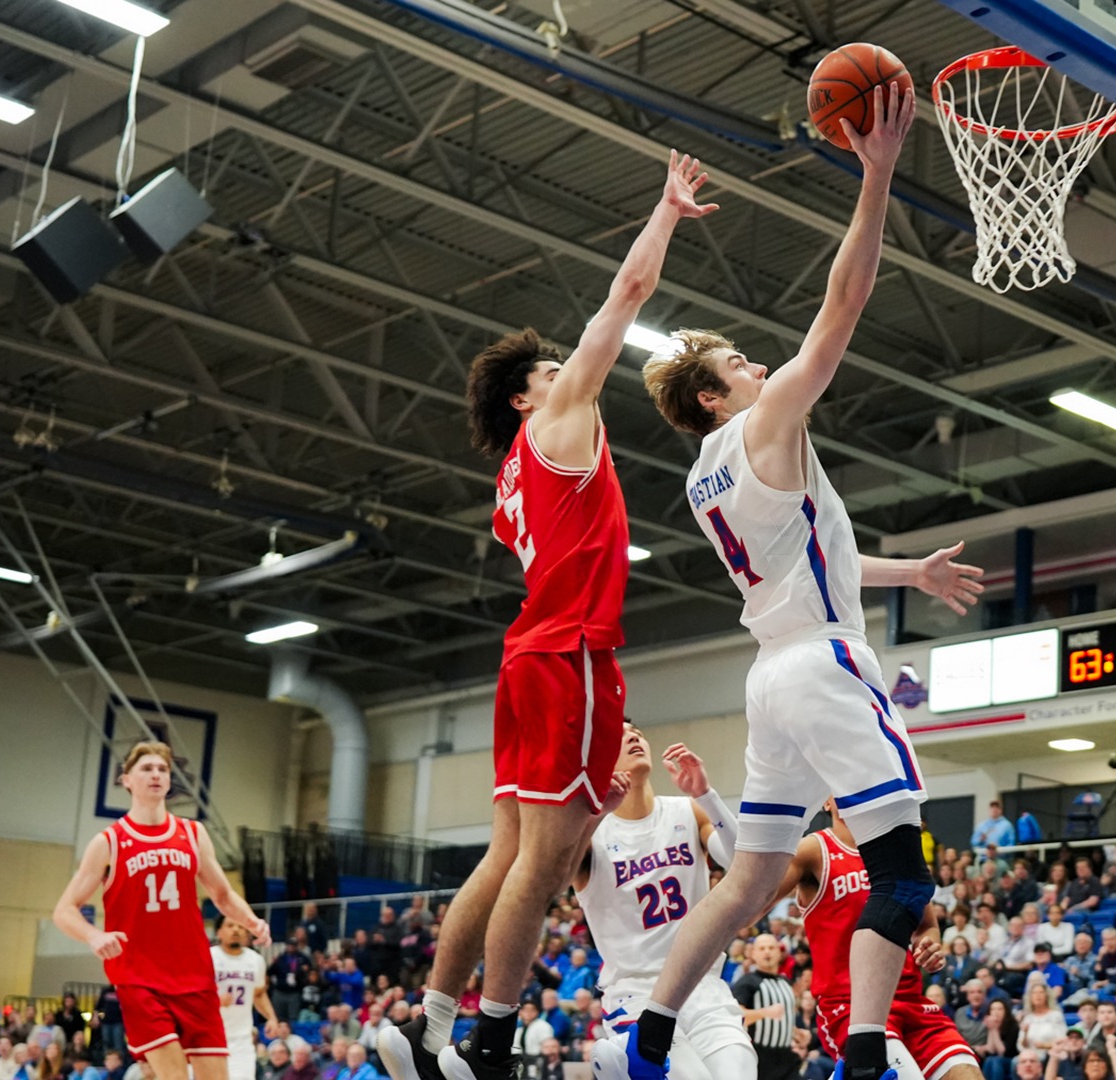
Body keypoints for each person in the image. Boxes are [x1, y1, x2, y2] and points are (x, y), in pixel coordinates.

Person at [633, 84, 977, 1080]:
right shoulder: (765, 421)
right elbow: (844, 303)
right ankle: (868, 1056)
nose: (759, 363)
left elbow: (813, 551)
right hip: (825, 666)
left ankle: (651, 1034)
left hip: (772, 671)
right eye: (739, 362)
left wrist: (908, 567)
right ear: (712, 396)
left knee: (745, 886)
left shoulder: (705, 475)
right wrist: (875, 176)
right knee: (905, 879)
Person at [383, 151, 715, 1080]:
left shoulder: (509, 482)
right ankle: (491, 1043)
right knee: (555, 850)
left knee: (507, 851)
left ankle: (429, 1028)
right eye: (555, 367)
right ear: (530, 394)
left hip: (526, 654)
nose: (575, 366)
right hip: (570, 651)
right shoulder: (559, 416)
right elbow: (631, 292)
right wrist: (663, 212)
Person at [52, 742, 270, 1080]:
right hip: (140, 979)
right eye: (147, 769)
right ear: (126, 780)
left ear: (170, 781)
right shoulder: (109, 842)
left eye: (163, 770)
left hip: (195, 977)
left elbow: (223, 894)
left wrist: (252, 920)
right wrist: (94, 935)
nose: (156, 775)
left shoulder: (192, 833)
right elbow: (64, 910)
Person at [567, 727, 752, 1080]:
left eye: (636, 732)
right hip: (637, 991)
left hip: (703, 983)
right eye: (619, 736)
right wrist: (593, 816)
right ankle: (629, 1059)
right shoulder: (590, 832)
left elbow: (743, 866)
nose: (634, 737)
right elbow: (556, 881)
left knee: (741, 1072)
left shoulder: (688, 810)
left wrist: (707, 795)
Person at [777, 800, 979, 1080]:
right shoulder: (813, 849)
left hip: (910, 998)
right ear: (826, 800)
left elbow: (927, 925)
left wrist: (929, 944)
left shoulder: (897, 849)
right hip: (850, 1004)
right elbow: (753, 902)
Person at [211, 917, 275, 1080]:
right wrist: (215, 1000)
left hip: (242, 1041)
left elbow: (259, 994)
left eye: (240, 926)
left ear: (247, 934)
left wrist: (272, 1018)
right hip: (210, 1037)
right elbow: (192, 995)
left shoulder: (256, 960)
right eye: (230, 926)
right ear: (219, 932)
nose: (235, 930)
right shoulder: (208, 958)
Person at [730, 937, 797, 1080]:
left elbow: (783, 1019)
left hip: (787, 1058)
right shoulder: (747, 982)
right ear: (753, 953)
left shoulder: (785, 982)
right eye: (762, 948)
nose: (767, 952)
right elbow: (734, 1018)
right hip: (760, 1058)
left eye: (772, 948)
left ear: (779, 952)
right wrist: (765, 1013)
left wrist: (796, 1033)